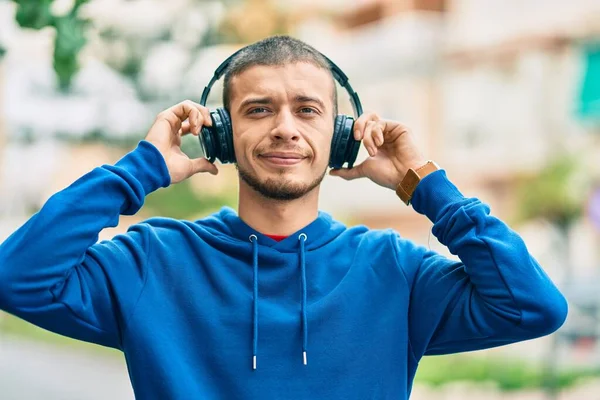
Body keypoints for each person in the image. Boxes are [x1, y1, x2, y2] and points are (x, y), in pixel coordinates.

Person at [0, 35, 567, 399]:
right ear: (220, 133)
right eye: (258, 109)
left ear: (340, 137)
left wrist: (424, 183)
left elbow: (534, 307)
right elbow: (16, 278)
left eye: (308, 110)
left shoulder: (394, 270)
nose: (285, 128)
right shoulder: (152, 260)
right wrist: (139, 170)